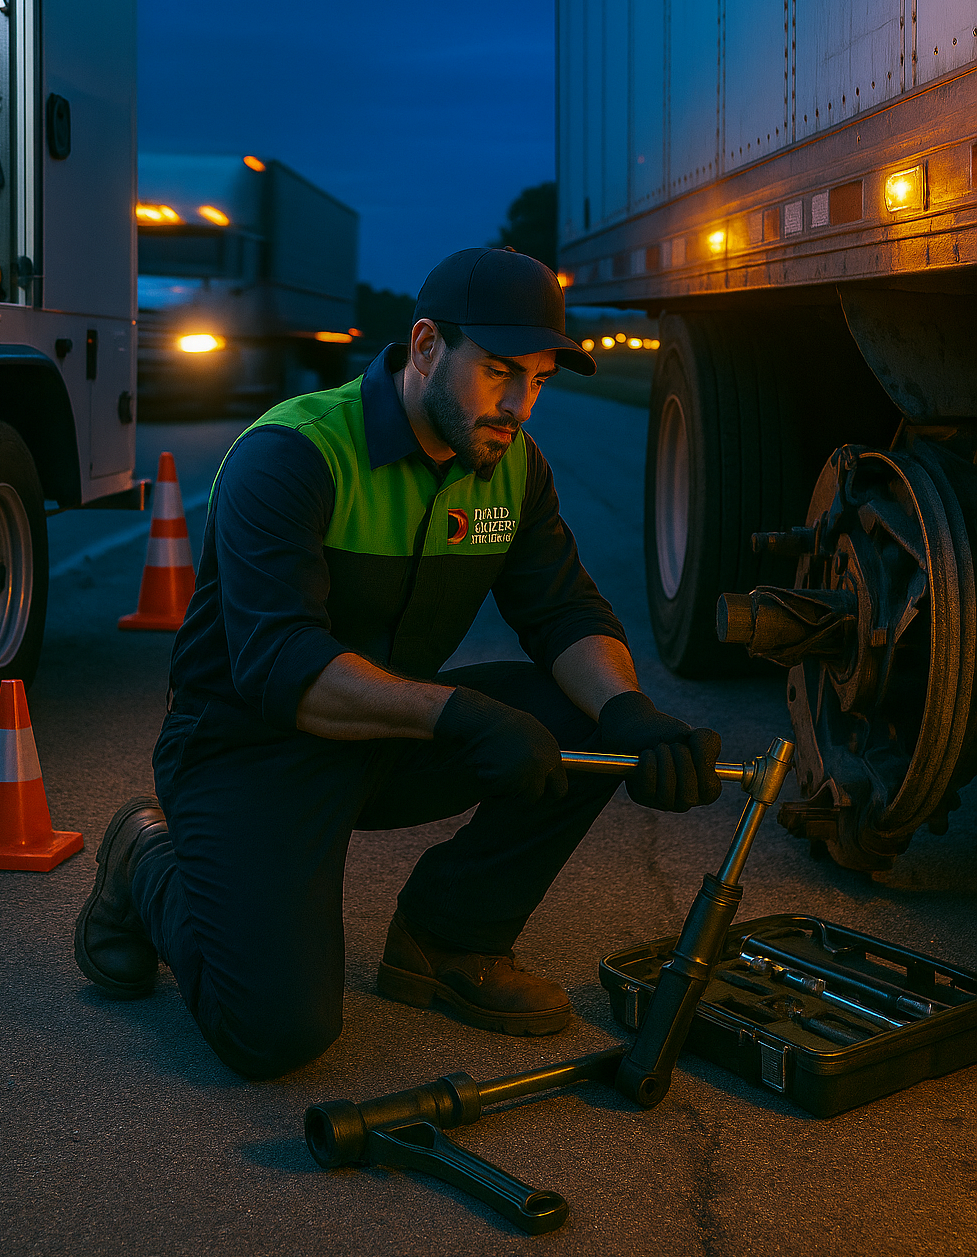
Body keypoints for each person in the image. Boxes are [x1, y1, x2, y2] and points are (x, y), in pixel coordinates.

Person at [74, 248, 722, 1079]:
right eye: (498, 373)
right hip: (249, 748)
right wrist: (458, 716)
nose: (520, 405)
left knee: (588, 715)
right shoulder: (295, 454)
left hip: (384, 732)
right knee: (275, 1034)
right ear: (424, 347)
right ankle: (144, 856)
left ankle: (450, 938)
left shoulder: (511, 469)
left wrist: (632, 715)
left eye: (539, 380)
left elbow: (563, 613)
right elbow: (283, 665)